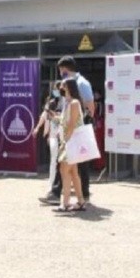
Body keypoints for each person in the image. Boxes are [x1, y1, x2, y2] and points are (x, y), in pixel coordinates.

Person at [40, 56, 94, 204]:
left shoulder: (82, 84)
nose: (60, 73)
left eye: (61, 70)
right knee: (75, 165)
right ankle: (78, 195)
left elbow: (91, 108)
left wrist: (75, 125)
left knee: (69, 163)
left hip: (75, 131)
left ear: (66, 69)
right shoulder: (66, 86)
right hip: (68, 130)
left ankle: (60, 195)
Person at [53, 78, 87, 212]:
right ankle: (80, 201)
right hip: (70, 140)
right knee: (73, 172)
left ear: (68, 87)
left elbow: (72, 123)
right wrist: (55, 117)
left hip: (71, 141)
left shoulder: (73, 103)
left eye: (62, 85)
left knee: (64, 170)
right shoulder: (68, 102)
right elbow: (67, 121)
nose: (60, 87)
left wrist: (65, 141)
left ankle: (65, 203)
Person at [32, 81, 62, 199]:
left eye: (58, 88)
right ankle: (52, 184)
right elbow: (43, 116)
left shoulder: (67, 103)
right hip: (53, 136)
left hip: (64, 137)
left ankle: (64, 184)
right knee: (54, 160)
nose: (56, 91)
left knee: (64, 163)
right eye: (55, 89)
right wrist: (37, 128)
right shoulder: (51, 102)